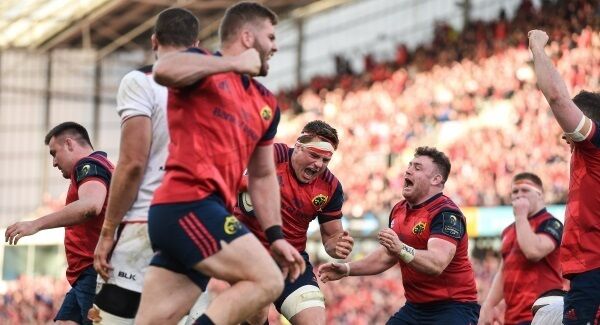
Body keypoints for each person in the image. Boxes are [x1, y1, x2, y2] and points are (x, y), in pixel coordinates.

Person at [136, 2, 305, 325]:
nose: (275, 46)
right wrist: (232, 64)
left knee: (152, 321)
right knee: (268, 280)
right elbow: (164, 70)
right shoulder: (202, 65)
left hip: (199, 214)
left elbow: (263, 173)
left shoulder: (266, 103)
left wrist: (276, 235)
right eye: (270, 37)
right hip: (187, 205)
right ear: (246, 36)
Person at [89, 8, 202, 325]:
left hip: (147, 221)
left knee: (111, 318)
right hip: (200, 221)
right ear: (196, 43)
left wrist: (108, 230)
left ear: (154, 40)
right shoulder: (214, 90)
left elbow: (133, 163)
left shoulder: (141, 82)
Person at [319, 146, 480, 324]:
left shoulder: (445, 214)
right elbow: (387, 256)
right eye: (410, 165)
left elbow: (436, 263)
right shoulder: (399, 209)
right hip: (415, 307)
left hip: (453, 307)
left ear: (436, 179)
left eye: (417, 168)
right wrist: (348, 269)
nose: (408, 170)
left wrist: (400, 248)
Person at [234, 120, 354, 325]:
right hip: (248, 250)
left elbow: (332, 237)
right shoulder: (274, 155)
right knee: (257, 312)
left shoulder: (331, 187)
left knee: (313, 321)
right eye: (314, 155)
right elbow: (237, 182)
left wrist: (337, 246)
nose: (319, 164)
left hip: (291, 258)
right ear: (298, 146)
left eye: (325, 160)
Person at [5, 122, 113, 325]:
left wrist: (35, 224)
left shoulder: (88, 165)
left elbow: (91, 205)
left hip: (93, 270)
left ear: (69, 144)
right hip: (87, 274)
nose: (54, 162)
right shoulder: (102, 166)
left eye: (54, 153)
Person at [529, 29, 600, 324]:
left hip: (593, 271)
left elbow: (557, 97)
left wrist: (537, 48)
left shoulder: (594, 145)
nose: (565, 137)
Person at [479, 172, 564, 325]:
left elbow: (533, 251)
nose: (519, 195)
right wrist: (489, 305)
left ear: (540, 195)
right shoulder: (508, 231)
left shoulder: (551, 224)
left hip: (540, 313)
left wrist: (520, 216)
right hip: (513, 315)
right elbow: (504, 270)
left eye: (525, 190)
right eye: (515, 192)